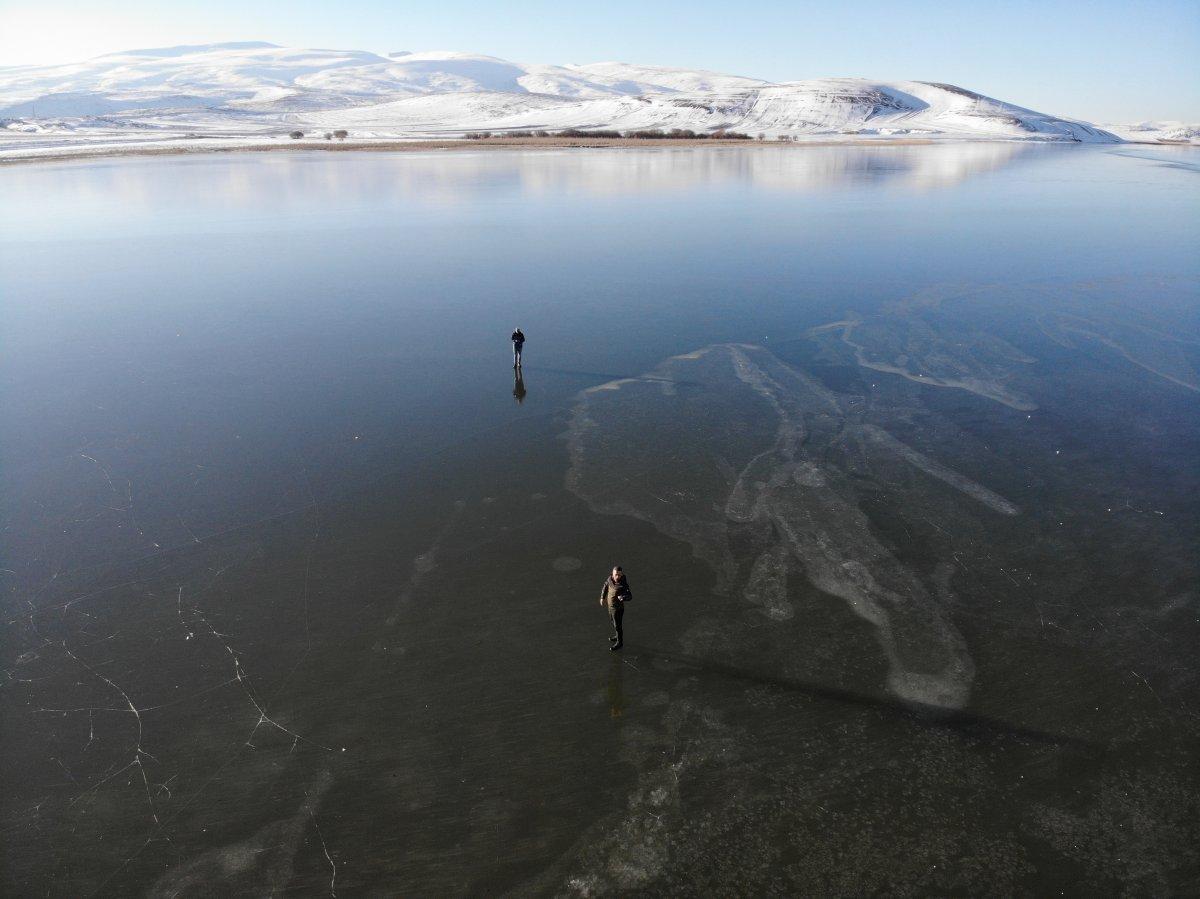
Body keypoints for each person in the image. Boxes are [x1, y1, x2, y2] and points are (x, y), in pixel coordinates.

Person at [599, 565, 632, 651]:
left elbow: (630, 596)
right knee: (612, 621)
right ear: (612, 574)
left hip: (618, 609)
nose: (618, 576)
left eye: (620, 575)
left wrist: (623, 597)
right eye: (616, 574)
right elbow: (605, 585)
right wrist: (602, 597)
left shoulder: (623, 584)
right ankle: (617, 635)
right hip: (610, 607)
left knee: (618, 625)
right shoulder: (610, 579)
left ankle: (620, 642)